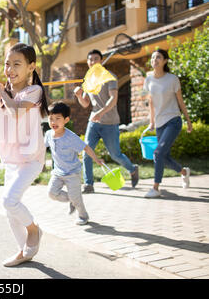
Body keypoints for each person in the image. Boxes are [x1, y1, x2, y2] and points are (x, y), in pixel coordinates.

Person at [0, 43, 49, 267]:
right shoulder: (2, 94)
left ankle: (33, 230)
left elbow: (16, 111)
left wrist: (0, 92)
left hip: (31, 159)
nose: (10, 69)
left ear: (31, 67)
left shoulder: (33, 92)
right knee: (9, 209)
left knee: (9, 200)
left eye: (17, 64)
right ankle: (23, 251)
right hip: (10, 159)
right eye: (8, 64)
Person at [74, 49, 139, 194]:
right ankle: (88, 184)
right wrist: (79, 95)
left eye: (95, 59)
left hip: (110, 122)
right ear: (88, 62)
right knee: (86, 153)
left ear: (101, 61)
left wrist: (100, 112)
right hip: (94, 123)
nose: (92, 62)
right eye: (90, 59)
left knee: (115, 155)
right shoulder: (88, 80)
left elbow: (113, 99)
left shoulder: (110, 77)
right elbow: (85, 104)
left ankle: (132, 169)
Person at [142, 49, 192, 198]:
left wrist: (188, 121)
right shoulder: (148, 79)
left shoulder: (172, 79)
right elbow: (151, 102)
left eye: (158, 57)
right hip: (159, 123)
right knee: (163, 156)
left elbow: (180, 102)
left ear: (164, 61)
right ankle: (184, 172)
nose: (155, 60)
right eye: (152, 58)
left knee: (157, 153)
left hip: (173, 120)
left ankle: (156, 188)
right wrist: (152, 122)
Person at [45, 102, 104, 225]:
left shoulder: (70, 137)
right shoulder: (49, 134)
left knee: (76, 198)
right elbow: (41, 147)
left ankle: (83, 216)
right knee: (51, 193)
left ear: (66, 120)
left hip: (72, 173)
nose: (53, 122)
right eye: (51, 119)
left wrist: (96, 159)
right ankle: (72, 200)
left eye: (57, 118)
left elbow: (86, 148)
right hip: (58, 172)